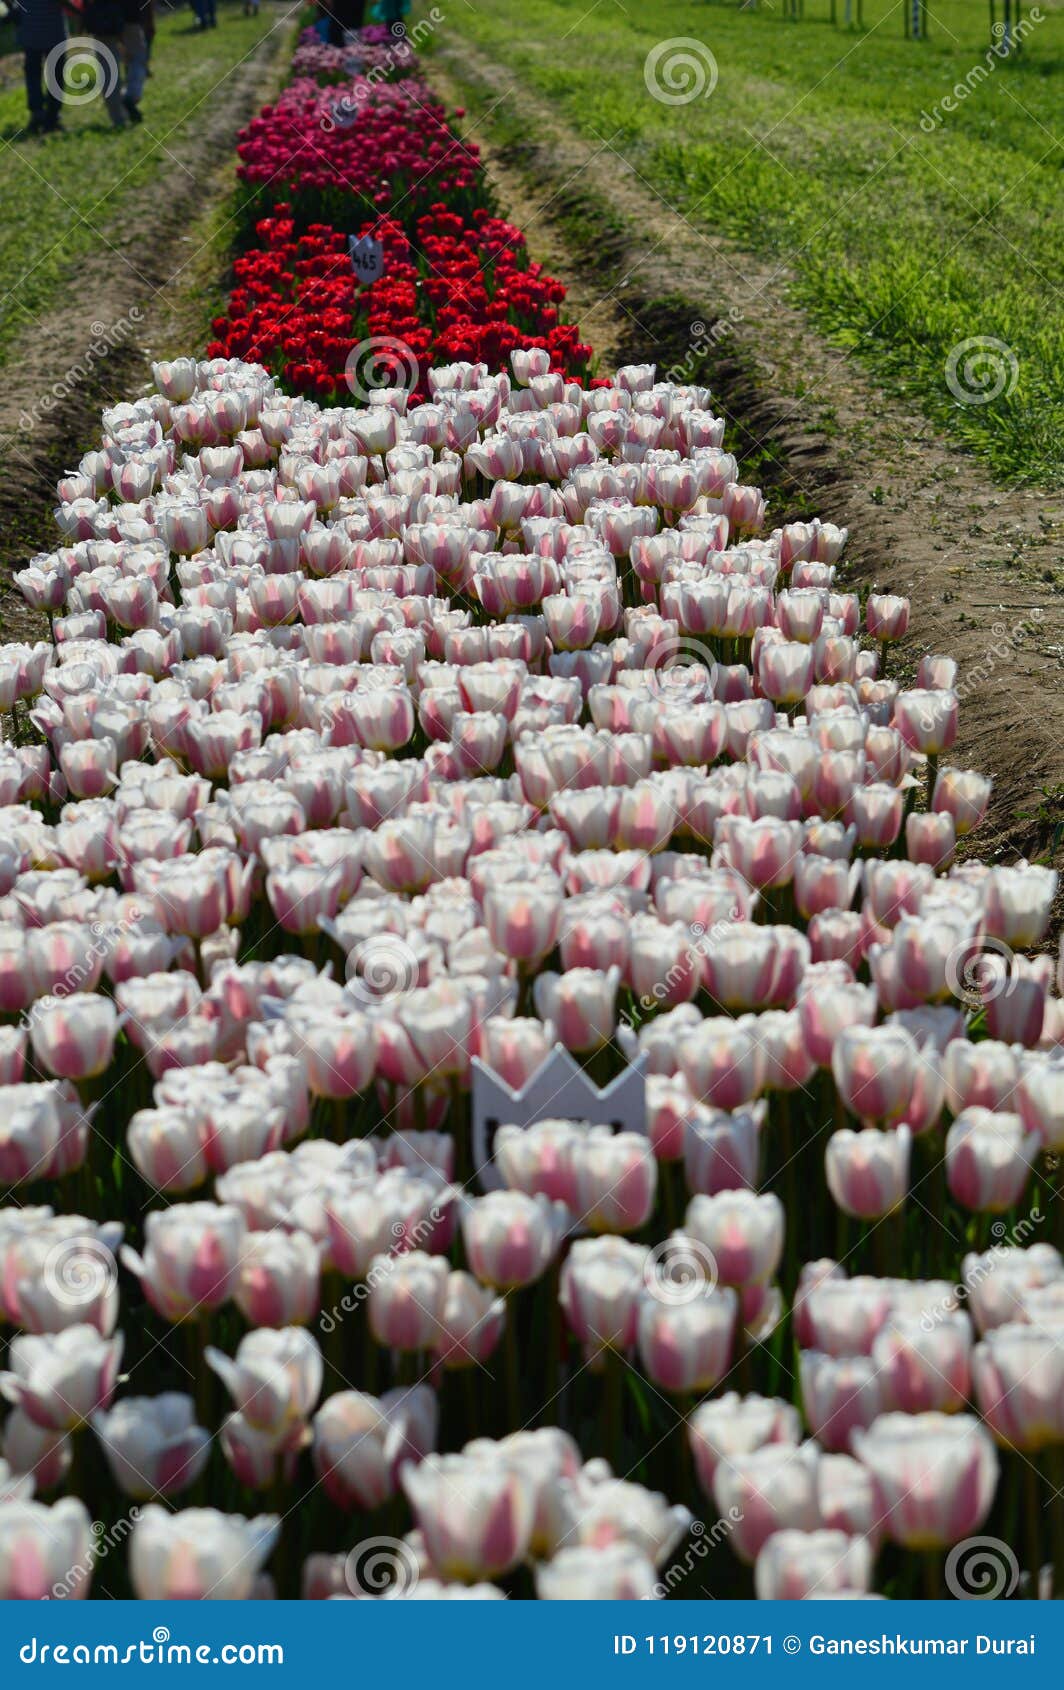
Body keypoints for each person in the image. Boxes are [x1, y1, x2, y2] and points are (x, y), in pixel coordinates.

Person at [13, 0, 67, 135]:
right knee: (55, 75)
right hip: (54, 30)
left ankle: (37, 112)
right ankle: (52, 116)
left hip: (29, 30)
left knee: (33, 75)